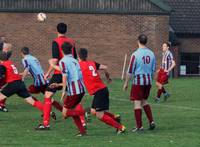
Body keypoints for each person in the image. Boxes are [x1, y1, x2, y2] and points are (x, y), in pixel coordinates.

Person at [36, 22, 85, 130]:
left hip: (59, 73)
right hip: (72, 75)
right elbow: (76, 58)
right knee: (75, 98)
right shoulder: (71, 42)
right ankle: (82, 120)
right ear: (66, 30)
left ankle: (46, 123)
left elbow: (55, 60)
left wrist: (48, 73)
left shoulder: (55, 42)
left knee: (48, 95)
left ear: (56, 30)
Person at [78, 48, 126, 134]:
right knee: (93, 111)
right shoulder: (92, 63)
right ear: (86, 55)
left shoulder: (79, 65)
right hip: (102, 89)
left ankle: (120, 127)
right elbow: (105, 67)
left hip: (99, 91)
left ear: (78, 56)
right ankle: (115, 117)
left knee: (99, 115)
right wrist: (108, 77)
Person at [49, 42, 86, 136]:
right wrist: (58, 85)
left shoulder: (63, 61)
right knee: (73, 111)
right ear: (71, 50)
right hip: (81, 89)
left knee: (65, 113)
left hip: (74, 91)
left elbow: (65, 76)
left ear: (61, 50)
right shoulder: (75, 60)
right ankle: (82, 132)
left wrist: (63, 91)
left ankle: (85, 111)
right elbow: (73, 76)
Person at [0, 51, 45, 125]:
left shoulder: (2, 65)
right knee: (31, 101)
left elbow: (1, 76)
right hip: (20, 83)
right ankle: (47, 112)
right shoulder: (10, 63)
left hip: (13, 84)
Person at [123, 34, 156, 132]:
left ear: (138, 41)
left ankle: (139, 126)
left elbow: (130, 71)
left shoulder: (135, 54)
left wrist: (126, 83)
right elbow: (153, 69)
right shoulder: (152, 53)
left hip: (138, 82)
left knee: (137, 103)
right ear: (146, 42)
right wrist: (151, 80)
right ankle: (151, 121)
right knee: (144, 101)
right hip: (148, 81)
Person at [20, 47, 64, 119]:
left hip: (38, 82)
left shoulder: (25, 59)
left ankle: (47, 111)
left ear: (21, 53)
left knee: (26, 95)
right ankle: (63, 111)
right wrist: (22, 74)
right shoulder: (33, 58)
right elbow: (35, 70)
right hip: (44, 80)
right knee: (49, 98)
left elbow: (27, 68)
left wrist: (22, 78)